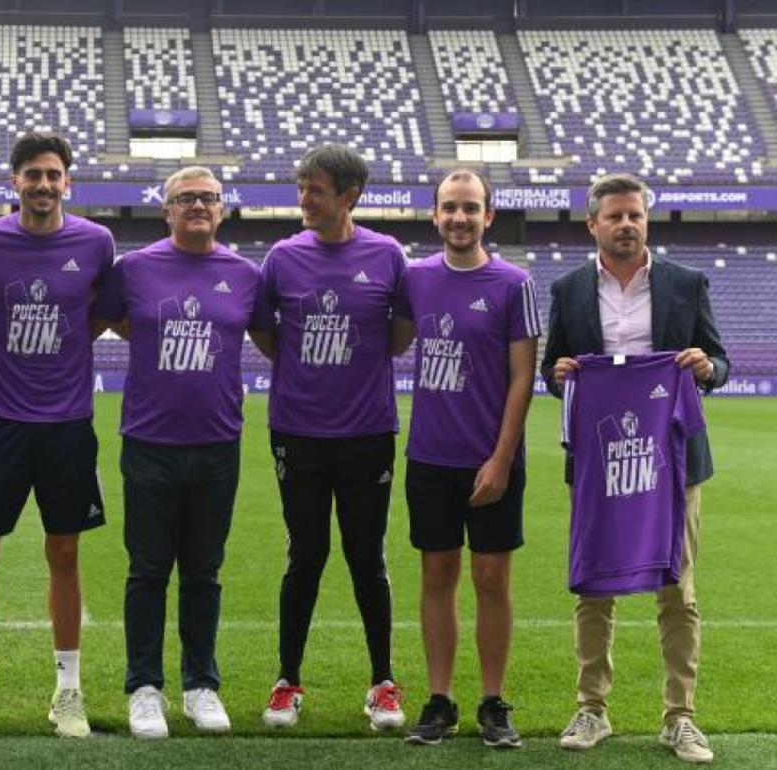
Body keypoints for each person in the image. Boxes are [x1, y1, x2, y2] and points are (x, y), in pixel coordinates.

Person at [542, 172, 728, 765]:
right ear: (592, 224)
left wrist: (705, 368)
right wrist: (562, 375)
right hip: (602, 464)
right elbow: (552, 370)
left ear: (646, 221)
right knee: (594, 583)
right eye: (616, 216)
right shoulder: (570, 290)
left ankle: (680, 717)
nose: (627, 225)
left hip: (673, 465)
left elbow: (718, 360)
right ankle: (592, 707)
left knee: (678, 588)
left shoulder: (685, 282)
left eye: (636, 216)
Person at [0, 132, 114, 739]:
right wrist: (5, 358)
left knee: (65, 551)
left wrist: (65, 352)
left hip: (67, 423)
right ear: (14, 181)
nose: (43, 185)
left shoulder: (96, 242)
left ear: (67, 181)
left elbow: (97, 313)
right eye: (32, 175)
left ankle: (68, 692)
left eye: (53, 175)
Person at [95, 166, 274, 740]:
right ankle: (144, 688)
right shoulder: (134, 269)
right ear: (166, 210)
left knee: (204, 571)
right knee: (147, 570)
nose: (198, 205)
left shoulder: (245, 275)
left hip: (219, 443)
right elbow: (115, 321)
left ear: (222, 210)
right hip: (149, 442)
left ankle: (201, 685)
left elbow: (271, 341)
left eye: (208, 198)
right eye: (185, 199)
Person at [258, 145, 406, 731]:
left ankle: (383, 682)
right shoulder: (281, 257)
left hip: (368, 432)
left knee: (367, 558)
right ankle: (287, 680)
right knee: (306, 555)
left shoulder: (387, 256)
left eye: (314, 190)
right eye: (300, 188)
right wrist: (302, 371)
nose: (303, 200)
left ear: (348, 197)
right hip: (297, 433)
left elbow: (400, 334)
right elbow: (265, 331)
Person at [391, 168, 539, 749]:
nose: (459, 218)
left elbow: (522, 379)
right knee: (436, 573)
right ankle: (439, 699)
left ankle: (493, 702)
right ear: (435, 215)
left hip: (492, 456)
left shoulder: (512, 283)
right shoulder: (414, 279)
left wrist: (501, 460)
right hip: (430, 455)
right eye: (450, 208)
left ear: (488, 216)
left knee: (492, 577)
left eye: (470, 208)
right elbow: (393, 341)